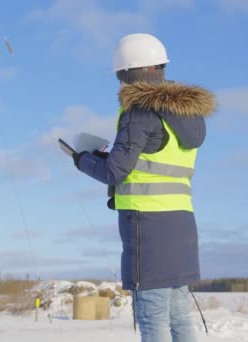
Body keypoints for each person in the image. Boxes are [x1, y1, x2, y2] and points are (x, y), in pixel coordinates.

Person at [72, 33, 216, 341]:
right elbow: (149, 159)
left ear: (125, 73)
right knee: (179, 316)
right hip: (182, 225)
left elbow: (115, 171)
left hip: (148, 228)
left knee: (152, 319)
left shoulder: (139, 111)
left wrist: (81, 159)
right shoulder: (188, 114)